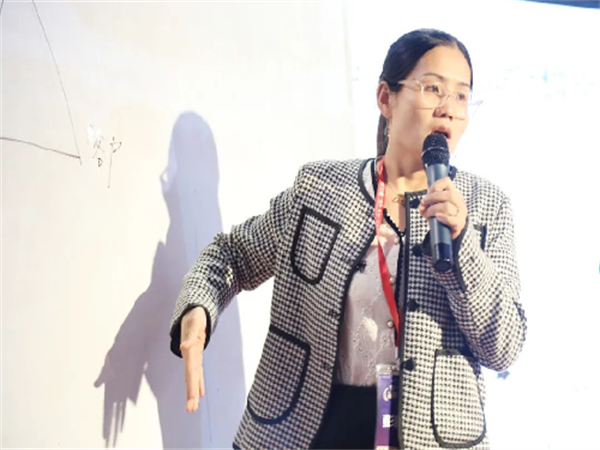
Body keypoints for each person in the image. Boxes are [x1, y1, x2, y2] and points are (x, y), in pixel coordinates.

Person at [168, 28, 527, 450]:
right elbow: (232, 255)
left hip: (431, 436)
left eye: (462, 96)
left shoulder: (487, 207)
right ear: (386, 98)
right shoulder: (320, 188)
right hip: (311, 427)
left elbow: (503, 347)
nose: (448, 109)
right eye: (433, 88)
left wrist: (461, 243)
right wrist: (199, 308)